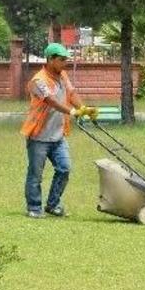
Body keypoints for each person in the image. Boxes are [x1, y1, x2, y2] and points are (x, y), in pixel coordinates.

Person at [20, 43, 97, 218]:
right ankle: (33, 207)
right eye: (61, 60)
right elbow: (51, 101)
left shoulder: (62, 76)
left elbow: (71, 94)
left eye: (66, 59)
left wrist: (83, 108)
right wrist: (72, 111)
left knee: (64, 168)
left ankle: (53, 204)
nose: (65, 63)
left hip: (58, 136)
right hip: (39, 136)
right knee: (36, 174)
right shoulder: (38, 81)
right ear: (50, 59)